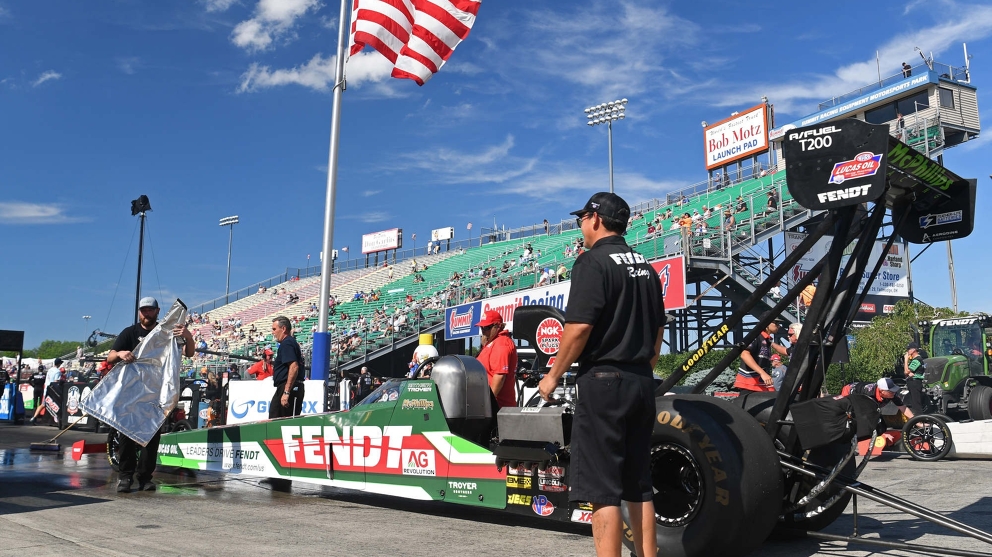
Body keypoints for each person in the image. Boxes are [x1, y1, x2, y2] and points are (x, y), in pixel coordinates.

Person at [538, 192, 664, 557]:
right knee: (639, 485)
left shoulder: (592, 262)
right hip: (641, 380)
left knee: (603, 489)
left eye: (581, 219)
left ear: (595, 219)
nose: (580, 226)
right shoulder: (646, 265)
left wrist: (552, 375)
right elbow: (658, 330)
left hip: (604, 382)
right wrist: (642, 368)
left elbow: (579, 327)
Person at [107, 296, 195, 493]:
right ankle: (125, 477)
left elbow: (189, 353)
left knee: (151, 438)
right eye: (143, 310)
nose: (146, 313)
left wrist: (188, 337)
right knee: (126, 436)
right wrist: (120, 354)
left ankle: (145, 477)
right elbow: (110, 357)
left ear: (157, 311)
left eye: (150, 310)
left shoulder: (166, 333)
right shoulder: (129, 332)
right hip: (130, 394)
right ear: (139, 312)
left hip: (155, 394)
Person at [475, 310, 517, 408]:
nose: (483, 331)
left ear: (498, 326)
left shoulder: (501, 343)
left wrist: (487, 402)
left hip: (498, 406)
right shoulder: (493, 342)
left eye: (487, 327)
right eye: (482, 327)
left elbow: (500, 376)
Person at [735, 312, 787, 392]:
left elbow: (785, 351)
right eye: (776, 323)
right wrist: (762, 373)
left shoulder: (767, 340)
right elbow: (744, 354)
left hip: (760, 385)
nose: (779, 326)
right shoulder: (756, 336)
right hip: (749, 385)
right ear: (766, 323)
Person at [270, 316, 304, 419]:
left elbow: (294, 367)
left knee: (277, 420)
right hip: (292, 386)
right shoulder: (290, 342)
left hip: (288, 387)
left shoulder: (287, 343)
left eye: (274, 329)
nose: (272, 332)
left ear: (283, 329)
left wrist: (286, 392)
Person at [840, 377, 914, 420]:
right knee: (850, 415)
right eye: (891, 391)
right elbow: (866, 415)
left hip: (864, 397)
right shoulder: (869, 394)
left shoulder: (892, 394)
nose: (893, 393)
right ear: (882, 391)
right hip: (849, 392)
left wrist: (916, 422)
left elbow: (903, 408)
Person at [30, 358, 64, 424]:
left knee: (43, 404)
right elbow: (56, 382)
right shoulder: (58, 371)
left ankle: (34, 417)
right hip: (53, 390)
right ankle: (57, 420)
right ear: (59, 364)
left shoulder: (50, 370)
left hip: (46, 389)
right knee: (56, 405)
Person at [903, 342, 927, 415]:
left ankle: (920, 419)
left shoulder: (917, 360)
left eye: (909, 349)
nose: (907, 351)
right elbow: (907, 372)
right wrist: (908, 373)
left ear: (914, 350)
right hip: (912, 382)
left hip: (915, 382)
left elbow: (906, 371)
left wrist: (906, 360)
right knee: (913, 402)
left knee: (916, 404)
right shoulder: (914, 360)